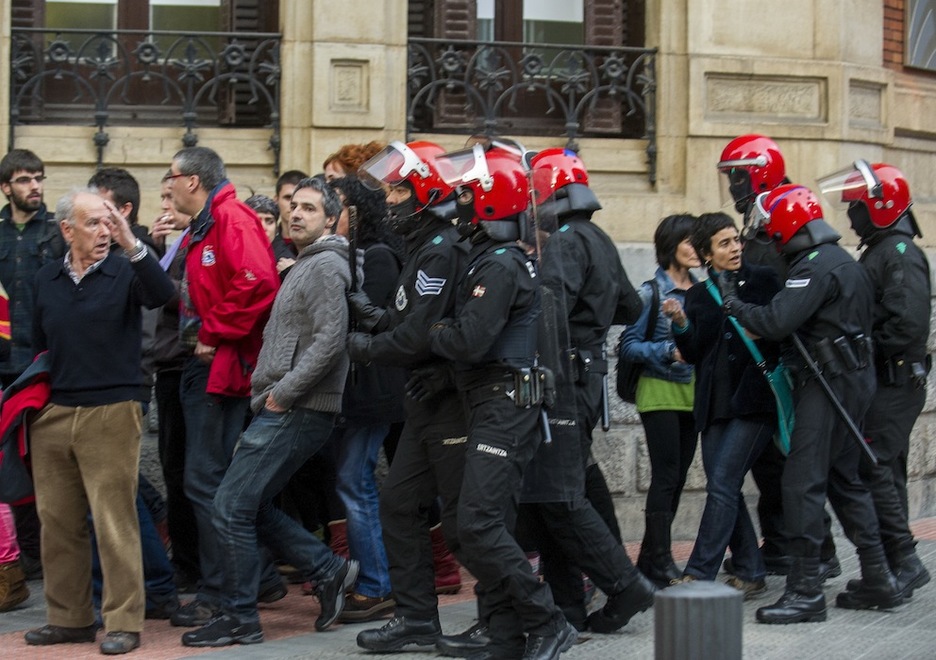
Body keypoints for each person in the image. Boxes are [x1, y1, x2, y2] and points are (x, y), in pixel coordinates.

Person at [181, 176, 359, 647]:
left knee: (229, 505)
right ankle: (328, 569)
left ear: (331, 219)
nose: (295, 213)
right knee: (249, 504)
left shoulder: (325, 267)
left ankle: (240, 616)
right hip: (287, 405)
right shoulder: (307, 263)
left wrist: (283, 394)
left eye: (309, 208)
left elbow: (330, 342)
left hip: (297, 407)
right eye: (293, 206)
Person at [723, 184, 903, 623]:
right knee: (845, 480)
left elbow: (776, 321)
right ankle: (879, 577)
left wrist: (734, 304)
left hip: (827, 384)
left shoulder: (814, 266)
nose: (769, 237)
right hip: (852, 380)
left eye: (772, 228)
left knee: (801, 483)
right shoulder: (842, 260)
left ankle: (805, 591)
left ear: (786, 226)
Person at [427, 142, 576, 660]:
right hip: (495, 402)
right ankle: (504, 633)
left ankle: (548, 621)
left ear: (491, 201)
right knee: (483, 524)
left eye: (467, 196)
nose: (459, 205)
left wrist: (436, 331)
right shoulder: (494, 259)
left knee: (477, 524)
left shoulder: (499, 265)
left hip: (504, 405)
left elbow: (469, 340)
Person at [23, 188, 174, 654]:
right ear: (67, 230)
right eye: (94, 223)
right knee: (58, 522)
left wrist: (132, 241)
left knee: (114, 521)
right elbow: (36, 344)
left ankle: (124, 621)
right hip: (55, 411)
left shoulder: (126, 271)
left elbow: (163, 293)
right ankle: (69, 619)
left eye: (109, 222)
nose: (105, 231)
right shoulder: (46, 277)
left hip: (112, 409)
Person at [516, 147, 653, 635]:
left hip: (565, 379)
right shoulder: (598, 238)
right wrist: (593, 322)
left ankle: (624, 584)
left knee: (558, 496)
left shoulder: (565, 242)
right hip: (587, 374)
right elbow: (632, 306)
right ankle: (568, 604)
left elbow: (549, 309)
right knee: (552, 493)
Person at [350, 140, 471, 654]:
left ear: (428, 193)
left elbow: (420, 335)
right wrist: (371, 317)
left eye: (399, 190)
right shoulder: (422, 247)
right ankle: (417, 619)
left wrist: (363, 347)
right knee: (399, 505)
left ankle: (522, 616)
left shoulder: (442, 248)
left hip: (450, 404)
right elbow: (406, 319)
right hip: (423, 402)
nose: (388, 200)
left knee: (466, 525)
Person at [165, 146, 282, 629]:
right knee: (208, 480)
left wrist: (213, 332)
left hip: (220, 366)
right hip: (209, 366)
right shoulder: (209, 222)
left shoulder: (230, 217)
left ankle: (227, 591)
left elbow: (258, 280)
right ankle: (243, 583)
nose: (167, 186)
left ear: (192, 181)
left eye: (170, 177)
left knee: (205, 480)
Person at [716, 134, 840, 579]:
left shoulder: (779, 221)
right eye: (731, 177)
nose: (733, 186)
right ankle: (782, 544)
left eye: (738, 176)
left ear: (760, 175)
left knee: (790, 462)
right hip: (766, 358)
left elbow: (783, 296)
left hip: (786, 358)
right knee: (772, 464)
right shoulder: (759, 222)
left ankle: (818, 550)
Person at [817, 160, 931, 600]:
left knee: (873, 465)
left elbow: (907, 325)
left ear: (880, 207)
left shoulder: (898, 252)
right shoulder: (883, 250)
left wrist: (860, 348)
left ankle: (904, 561)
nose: (851, 218)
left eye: (857, 208)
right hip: (886, 379)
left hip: (894, 379)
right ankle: (897, 564)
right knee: (886, 469)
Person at [668, 212, 781, 599]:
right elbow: (694, 352)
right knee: (724, 486)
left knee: (722, 482)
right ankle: (750, 570)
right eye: (724, 243)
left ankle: (700, 572)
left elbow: (781, 329)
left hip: (755, 400)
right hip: (715, 403)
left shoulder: (763, 280)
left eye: (736, 240)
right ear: (706, 254)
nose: (735, 248)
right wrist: (681, 323)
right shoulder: (698, 295)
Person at [328, 174, 406, 622]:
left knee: (355, 480)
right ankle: (374, 578)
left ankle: (376, 584)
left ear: (357, 213)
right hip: (357, 388)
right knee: (352, 479)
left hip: (374, 388)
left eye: (336, 205)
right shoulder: (351, 252)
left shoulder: (376, 255)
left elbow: (371, 320)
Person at [619, 213, 699, 587]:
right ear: (671, 246)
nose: (696, 248)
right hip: (659, 391)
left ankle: (650, 561)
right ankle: (662, 561)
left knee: (678, 478)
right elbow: (629, 345)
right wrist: (668, 350)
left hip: (692, 393)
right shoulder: (651, 292)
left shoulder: (702, 291)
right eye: (689, 241)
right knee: (665, 477)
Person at [0, 148, 64, 581]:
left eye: (38, 178)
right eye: (24, 179)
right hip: (3, 364)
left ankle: (49, 551)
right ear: (6, 187)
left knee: (45, 458)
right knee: (9, 463)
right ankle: (24, 554)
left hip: (43, 365)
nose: (35, 186)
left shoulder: (57, 231)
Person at [148, 174, 199, 589]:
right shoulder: (173, 243)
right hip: (167, 366)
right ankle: (186, 560)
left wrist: (149, 269)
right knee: (174, 470)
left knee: (188, 473)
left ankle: (191, 565)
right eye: (162, 197)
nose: (166, 205)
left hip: (187, 364)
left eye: (171, 196)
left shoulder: (198, 241)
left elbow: (188, 295)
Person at [88, 167, 162, 257]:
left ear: (124, 210)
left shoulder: (134, 256)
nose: (92, 213)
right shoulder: (105, 247)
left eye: (102, 206)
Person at [273, 169, 307, 273]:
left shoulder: (319, 245)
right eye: (288, 198)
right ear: (276, 200)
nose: (293, 204)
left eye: (301, 199)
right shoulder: (267, 243)